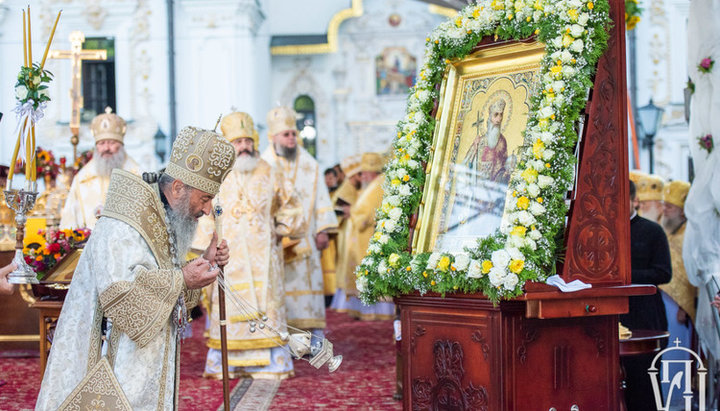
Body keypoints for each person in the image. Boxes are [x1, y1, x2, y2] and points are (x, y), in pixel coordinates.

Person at [36, 126, 236, 410]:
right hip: (108, 364)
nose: (207, 209)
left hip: (141, 364)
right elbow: (122, 296)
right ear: (178, 187)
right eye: (204, 198)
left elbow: (166, 277)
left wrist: (203, 261)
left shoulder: (163, 212)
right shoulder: (125, 220)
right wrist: (183, 278)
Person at [196, 112, 305, 380]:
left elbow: (293, 208)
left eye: (247, 140)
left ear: (255, 142)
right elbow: (202, 213)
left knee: (267, 306)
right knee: (227, 305)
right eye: (237, 141)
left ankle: (272, 364)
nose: (243, 146)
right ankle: (229, 364)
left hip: (264, 257)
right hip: (225, 255)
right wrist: (205, 248)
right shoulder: (214, 176)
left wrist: (281, 230)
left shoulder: (271, 171)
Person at [261, 106, 338, 341]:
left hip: (307, 240)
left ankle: (312, 338)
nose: (292, 138)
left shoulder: (310, 164)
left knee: (307, 292)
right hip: (275, 240)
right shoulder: (263, 165)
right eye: (286, 134)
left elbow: (322, 199)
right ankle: (284, 338)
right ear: (273, 137)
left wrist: (323, 229)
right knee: (279, 290)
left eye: (294, 134)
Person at [619, 179, 672, 411]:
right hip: (613, 316)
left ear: (634, 201)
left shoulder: (653, 231)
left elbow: (663, 272)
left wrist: (624, 275)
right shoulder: (602, 231)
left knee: (644, 382)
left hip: (645, 316)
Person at [60, 107, 142, 229]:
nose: (106, 148)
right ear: (96, 146)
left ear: (121, 145)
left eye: (112, 143)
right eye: (102, 143)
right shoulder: (82, 179)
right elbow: (69, 220)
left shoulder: (137, 176)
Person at [342, 152, 394, 320]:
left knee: (371, 272)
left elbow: (365, 214)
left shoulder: (378, 184)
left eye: (364, 172)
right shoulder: (377, 183)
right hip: (369, 236)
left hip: (370, 236)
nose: (362, 176)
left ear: (372, 171)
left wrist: (352, 213)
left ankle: (374, 312)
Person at [462, 98, 510, 184]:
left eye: (501, 115)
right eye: (496, 115)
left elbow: (505, 167)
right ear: (490, 116)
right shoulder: (480, 140)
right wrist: (474, 151)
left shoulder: (502, 141)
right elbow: (466, 165)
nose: (499, 119)